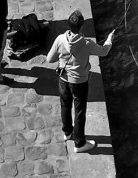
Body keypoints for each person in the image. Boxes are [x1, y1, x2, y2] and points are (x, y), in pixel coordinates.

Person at [44, 11, 115, 153]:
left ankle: (67, 132)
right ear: (81, 26)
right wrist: (109, 39)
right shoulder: (86, 43)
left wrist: (62, 57)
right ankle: (80, 143)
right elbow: (104, 51)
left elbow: (49, 59)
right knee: (79, 112)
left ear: (68, 24)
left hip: (63, 79)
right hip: (79, 82)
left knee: (65, 106)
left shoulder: (60, 39)